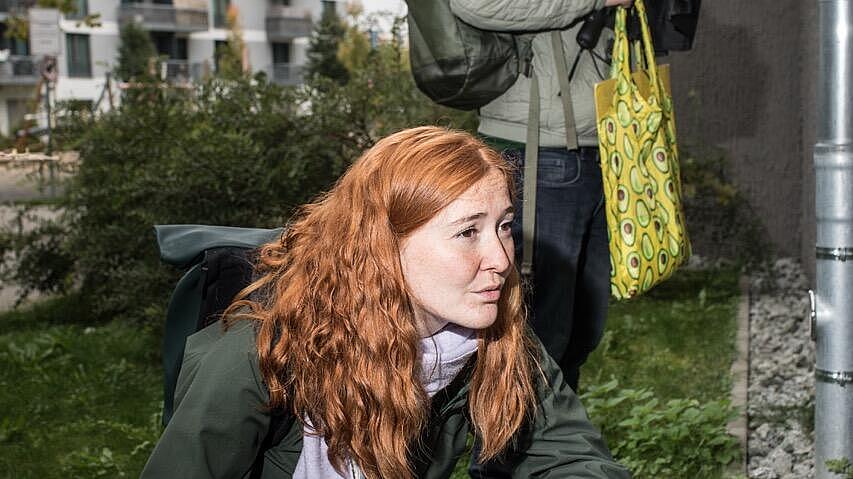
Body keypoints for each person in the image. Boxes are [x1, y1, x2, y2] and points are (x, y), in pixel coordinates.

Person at [141, 127, 631, 479]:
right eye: (467, 232)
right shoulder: (260, 354)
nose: (502, 260)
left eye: (504, 226)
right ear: (383, 246)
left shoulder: (493, 336)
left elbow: (569, 457)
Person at [448, 0, 632, 393]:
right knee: (535, 338)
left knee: (582, 330)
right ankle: (502, 451)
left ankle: (555, 448)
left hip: (600, 141)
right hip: (534, 146)